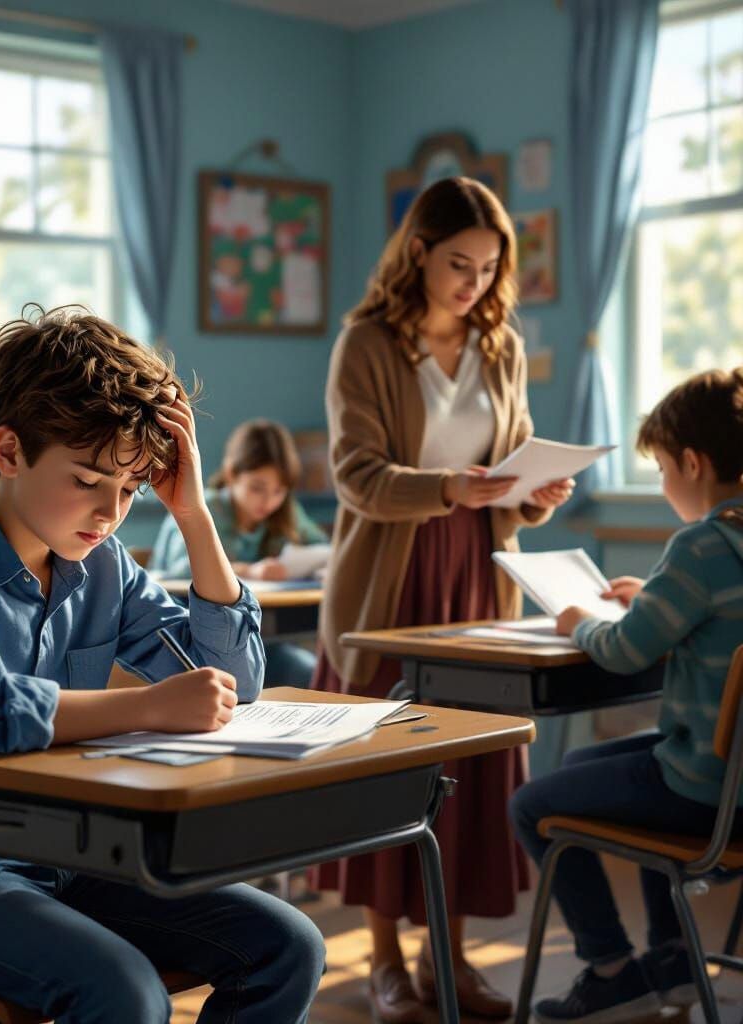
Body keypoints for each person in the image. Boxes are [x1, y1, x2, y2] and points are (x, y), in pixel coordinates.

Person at [0, 306, 325, 1024]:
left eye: (130, 489)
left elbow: (235, 680)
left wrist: (193, 515)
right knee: (125, 994)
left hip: (61, 858)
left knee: (288, 946)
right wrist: (144, 707)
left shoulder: (104, 566)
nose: (110, 512)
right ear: (9, 451)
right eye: (90, 480)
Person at [312, 177, 574, 1022]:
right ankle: (385, 958)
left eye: (490, 267)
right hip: (390, 578)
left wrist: (532, 495)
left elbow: (510, 464)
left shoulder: (500, 345)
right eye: (460, 263)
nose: (475, 282)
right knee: (387, 766)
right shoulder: (365, 343)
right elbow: (355, 478)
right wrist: (451, 490)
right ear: (418, 252)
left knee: (470, 762)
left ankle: (447, 954)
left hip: (481, 573)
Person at [511, 368, 743, 1024]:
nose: (666, 482)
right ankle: (671, 960)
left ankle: (611, 970)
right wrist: (652, 600)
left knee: (532, 804)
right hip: (734, 784)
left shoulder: (700, 545)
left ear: (693, 463)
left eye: (664, 467)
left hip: (706, 794)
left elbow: (621, 651)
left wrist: (576, 620)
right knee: (587, 772)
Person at [152, 418, 327, 686]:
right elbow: (182, 572)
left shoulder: (283, 513)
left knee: (309, 670)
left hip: (248, 637)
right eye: (257, 488)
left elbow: (322, 547)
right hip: (187, 635)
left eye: (279, 491)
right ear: (232, 475)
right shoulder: (200, 508)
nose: (268, 501)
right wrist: (250, 571)